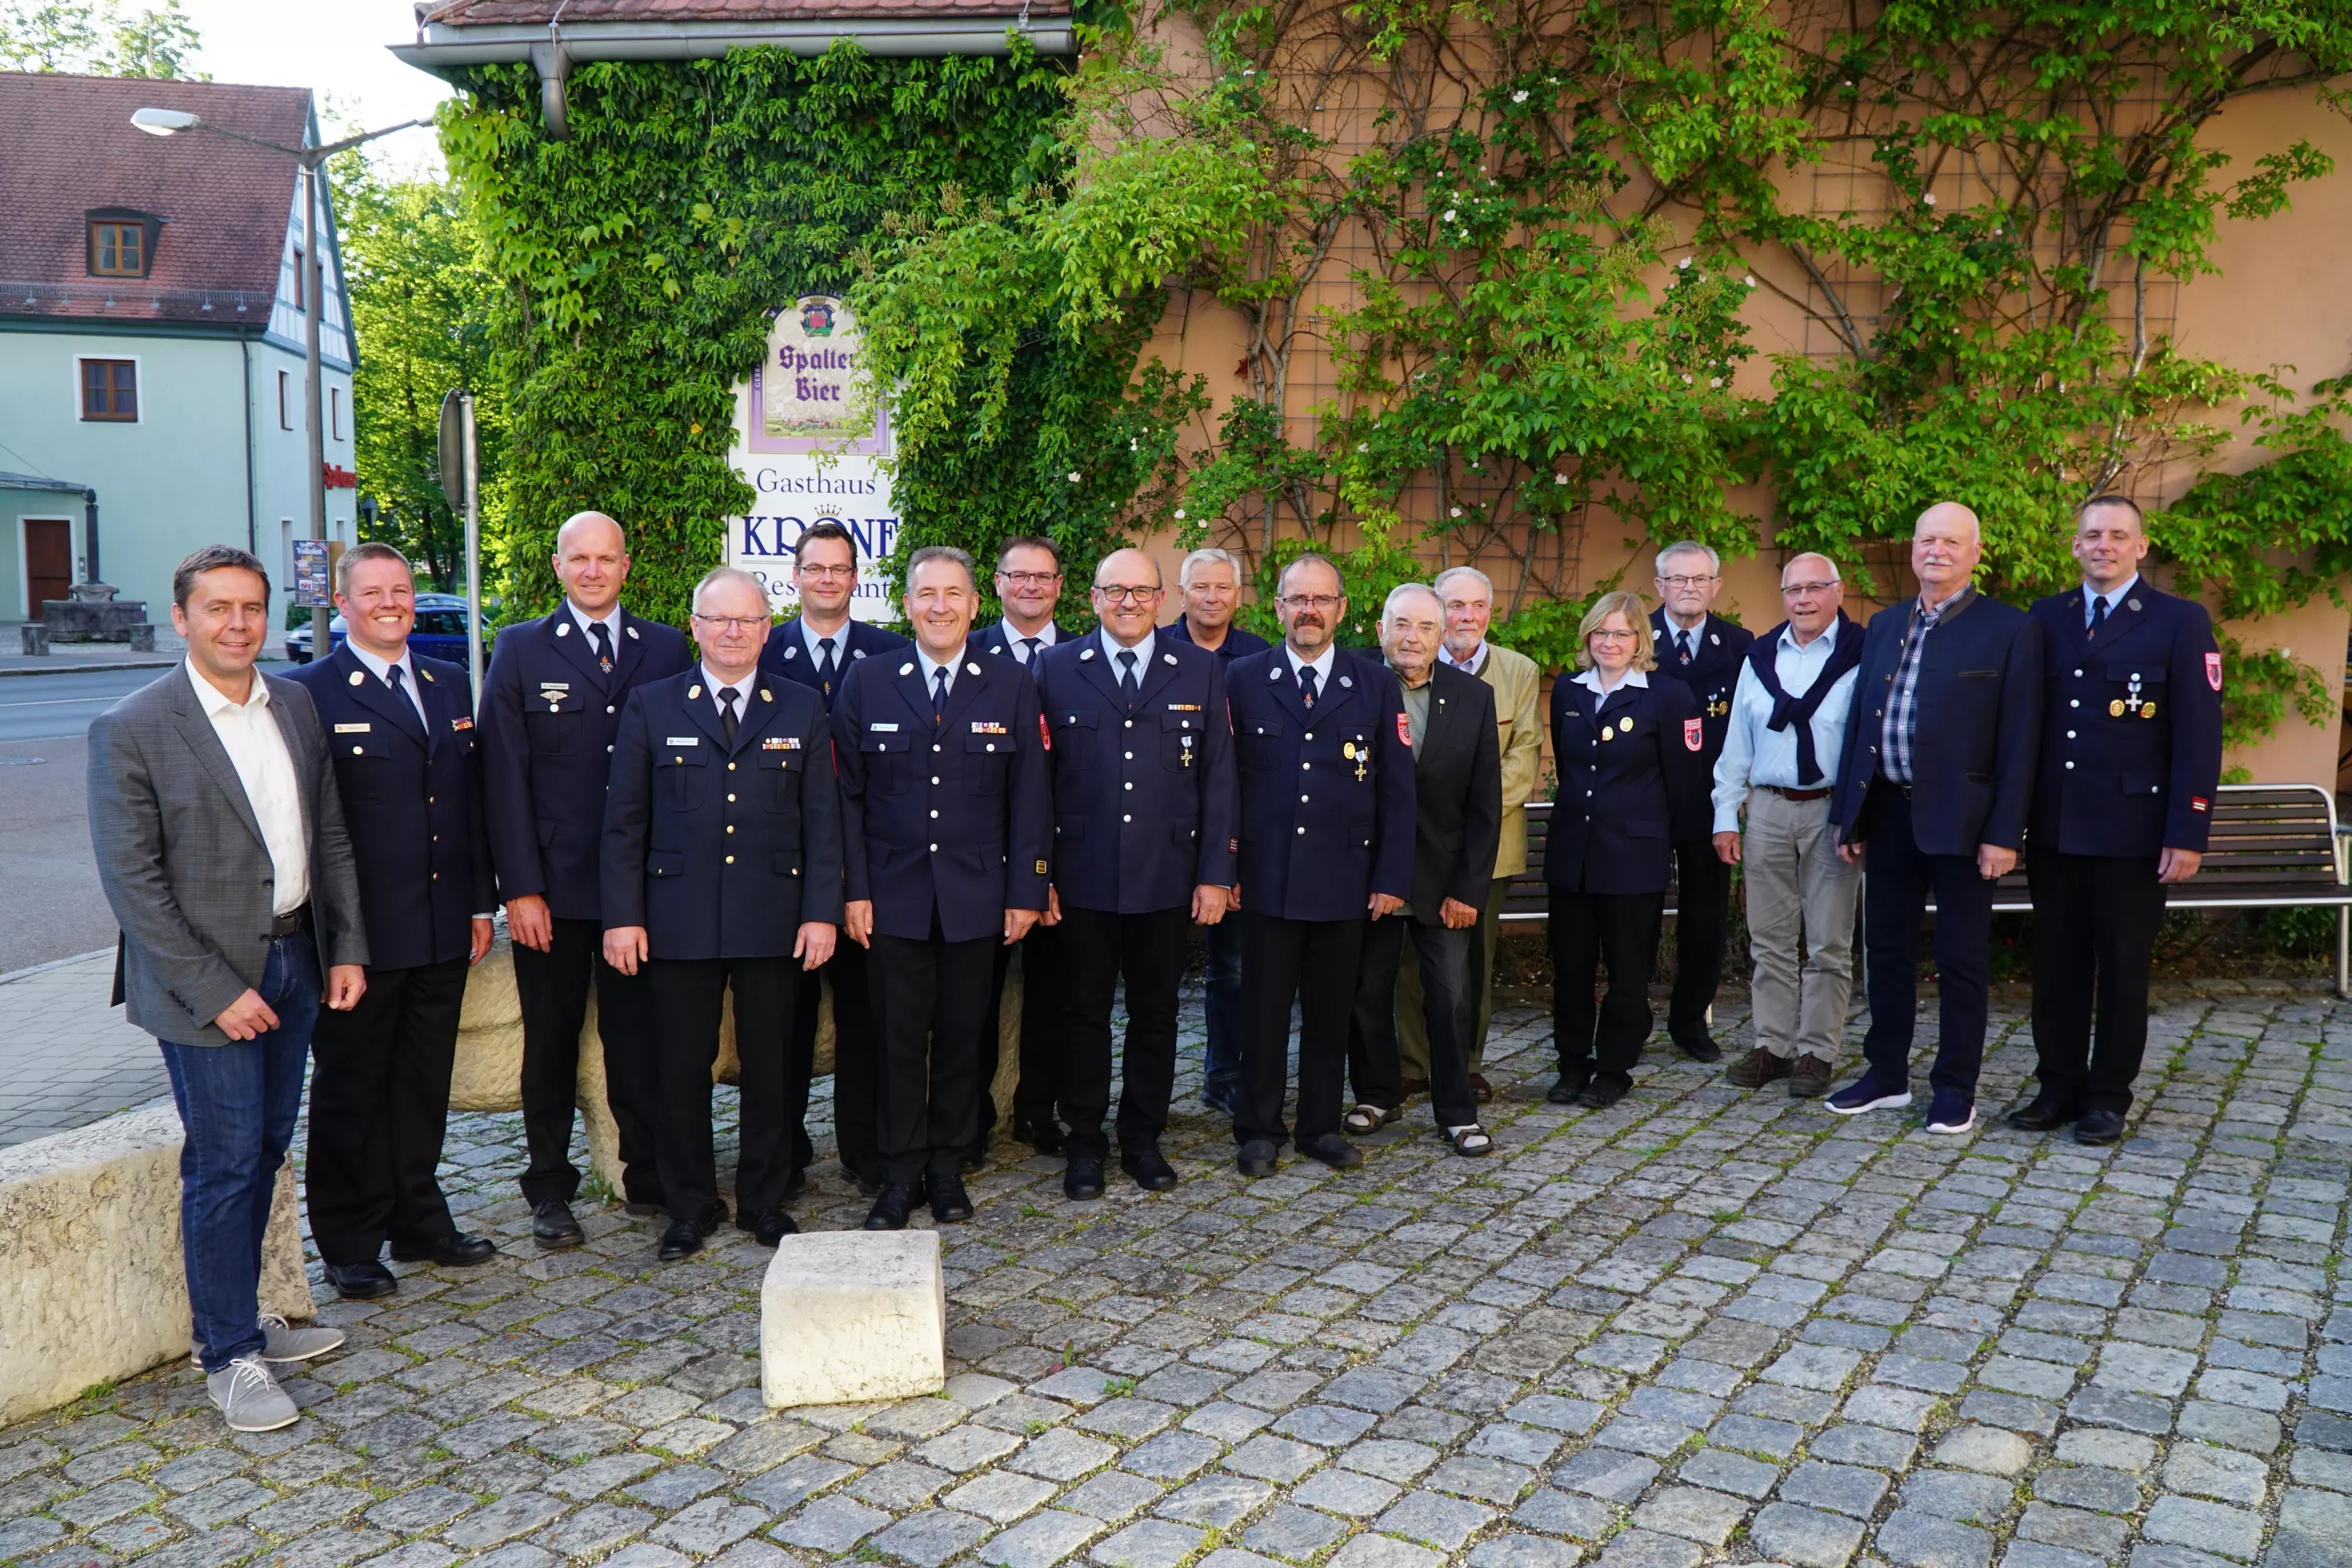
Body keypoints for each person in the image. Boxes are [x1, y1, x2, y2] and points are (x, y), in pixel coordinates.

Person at [89, 545, 364, 1432]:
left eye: (251, 608)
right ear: (182, 618)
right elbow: (136, 888)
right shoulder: (133, 726)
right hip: (205, 985)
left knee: (269, 1146)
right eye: (218, 609)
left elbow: (327, 836)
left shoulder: (296, 702)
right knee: (224, 1161)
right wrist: (217, 990)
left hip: (296, 960)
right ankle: (228, 1355)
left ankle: (245, 1323)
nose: (238, 624)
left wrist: (345, 947)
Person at [603, 567, 843, 1258]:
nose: (733, 631)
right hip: (675, 920)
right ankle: (689, 1204)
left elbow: (823, 820)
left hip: (775, 917)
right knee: (681, 1069)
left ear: (768, 629)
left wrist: (821, 911)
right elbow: (624, 822)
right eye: (719, 619)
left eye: (748, 619)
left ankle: (765, 1200)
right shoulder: (653, 705)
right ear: (696, 627)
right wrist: (624, 916)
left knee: (773, 1067)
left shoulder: (800, 706)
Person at [286, 543, 498, 1301]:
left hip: (443, 924)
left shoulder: (448, 684)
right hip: (360, 935)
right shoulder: (307, 694)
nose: (390, 602)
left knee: (420, 1083)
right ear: (342, 604)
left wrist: (481, 901)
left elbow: (470, 804)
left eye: (401, 589)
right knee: (352, 1087)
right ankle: (348, 1239)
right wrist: (335, 933)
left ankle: (419, 1217)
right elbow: (308, 827)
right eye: (372, 591)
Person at [480, 511, 693, 1247]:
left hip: (644, 891)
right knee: (552, 1041)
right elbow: (502, 779)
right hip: (556, 893)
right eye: (581, 559)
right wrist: (520, 890)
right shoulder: (520, 649)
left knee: (642, 1038)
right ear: (558, 565)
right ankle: (548, 1187)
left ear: (626, 566)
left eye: (606, 559)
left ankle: (649, 1173)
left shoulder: (666, 648)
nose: (594, 571)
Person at [835, 546, 1051, 1229]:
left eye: (953, 594)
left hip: (978, 895)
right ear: (905, 604)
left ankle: (949, 1165)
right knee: (896, 1038)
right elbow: (846, 799)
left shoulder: (1010, 684)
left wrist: (1026, 890)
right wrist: (853, 890)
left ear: (974, 604)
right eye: (926, 594)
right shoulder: (869, 681)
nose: (939, 606)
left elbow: (1030, 797)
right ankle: (898, 1173)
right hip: (892, 896)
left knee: (965, 1034)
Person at [2013, 495, 2222, 1145]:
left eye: (2117, 535)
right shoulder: (2045, 618)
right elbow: (2026, 729)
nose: (2103, 544)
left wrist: (2187, 831)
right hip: (2057, 827)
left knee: (2125, 968)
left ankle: (2107, 1096)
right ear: (2075, 546)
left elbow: (2198, 735)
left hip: (2134, 832)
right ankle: (2058, 1085)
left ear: (2141, 546)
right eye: (2092, 534)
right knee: (2056, 965)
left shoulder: (2179, 622)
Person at [1828, 502, 2042, 1134]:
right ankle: (1886, 1074)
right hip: (1889, 814)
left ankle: (1955, 1087)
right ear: (1913, 549)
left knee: (1960, 959)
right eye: (1927, 540)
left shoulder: (2010, 629)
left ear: (1976, 554)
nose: (1937, 551)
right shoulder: (1887, 624)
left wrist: (2005, 833)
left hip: (1967, 823)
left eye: (1951, 542)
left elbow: (2021, 740)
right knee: (1886, 950)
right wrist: (1851, 817)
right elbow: (1860, 727)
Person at [1036, 549, 1237, 1198]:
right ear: (1092, 599)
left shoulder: (1201, 672)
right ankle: (1085, 1140)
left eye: (1141, 591)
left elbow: (1218, 778)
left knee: (1157, 1014)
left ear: (1161, 600)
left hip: (1167, 876)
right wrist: (1038, 876)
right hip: (1082, 875)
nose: (1128, 602)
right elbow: (1035, 784)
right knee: (1084, 1014)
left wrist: (1214, 874)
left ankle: (1142, 1137)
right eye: (1114, 591)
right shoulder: (1055, 668)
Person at [1225, 554, 1414, 1175]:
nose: (1309, 610)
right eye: (1296, 599)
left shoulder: (1376, 684)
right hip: (1266, 878)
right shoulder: (1243, 679)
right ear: (1277, 607)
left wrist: (1390, 877)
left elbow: (1396, 790)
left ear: (1340, 609)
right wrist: (1224, 870)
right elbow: (1221, 785)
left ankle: (1319, 1128)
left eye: (1321, 600)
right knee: (1263, 1011)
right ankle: (1258, 1128)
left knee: (1334, 1011)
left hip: (1345, 879)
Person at [757, 520, 909, 1194]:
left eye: (839, 569)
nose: (826, 579)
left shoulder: (893, 652)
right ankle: (783, 1152)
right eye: (814, 568)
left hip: (872, 867)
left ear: (856, 577)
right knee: (783, 1021)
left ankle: (866, 1150)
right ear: (795, 576)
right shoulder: (763, 651)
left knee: (867, 1019)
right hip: (784, 869)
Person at [1344, 584, 1501, 1154]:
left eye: (1425, 628)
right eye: (1401, 625)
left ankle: (1457, 1111)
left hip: (1443, 881)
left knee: (1450, 994)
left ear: (1443, 636)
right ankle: (1377, 1094)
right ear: (1380, 626)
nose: (1411, 638)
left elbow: (1485, 806)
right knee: (1366, 990)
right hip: (1367, 876)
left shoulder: (1473, 697)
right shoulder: (1352, 679)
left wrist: (1470, 889)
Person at [1544, 591, 1711, 1109]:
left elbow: (1683, 783)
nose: (1609, 643)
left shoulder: (1668, 695)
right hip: (1574, 851)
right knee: (1571, 967)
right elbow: (1571, 772)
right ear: (1587, 637)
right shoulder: (1569, 691)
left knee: (1627, 970)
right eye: (1600, 632)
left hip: (1633, 855)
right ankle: (1573, 1064)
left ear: (1640, 639)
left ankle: (1614, 1067)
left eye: (1620, 633)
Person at [1710, 554, 1865, 1099]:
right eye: (1792, 589)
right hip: (1769, 808)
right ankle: (1773, 1046)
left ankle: (1817, 1053)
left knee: (1828, 942)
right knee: (1769, 938)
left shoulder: (1861, 655)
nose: (1803, 600)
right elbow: (1736, 746)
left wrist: (1859, 818)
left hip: (1831, 811)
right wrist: (1726, 815)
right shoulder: (1759, 657)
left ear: (1837, 590)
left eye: (1814, 588)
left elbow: (1867, 747)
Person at [1398, 564, 1540, 1104]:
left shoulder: (1518, 671)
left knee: (1472, 963)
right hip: (1412, 848)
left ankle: (1466, 1062)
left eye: (1478, 606)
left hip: (1487, 848)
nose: (1468, 616)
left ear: (1491, 611)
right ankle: (1411, 1062)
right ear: (1436, 612)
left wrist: (1461, 819)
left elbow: (1522, 761)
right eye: (1455, 606)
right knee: (1410, 965)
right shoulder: (1402, 668)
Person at [971, 535, 1080, 1158]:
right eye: (1019, 576)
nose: (1032, 587)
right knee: (977, 995)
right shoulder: (967, 647)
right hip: (983, 855)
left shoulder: (1087, 657)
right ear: (999, 584)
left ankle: (1038, 1110)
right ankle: (975, 1116)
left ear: (1061, 586)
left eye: (1044, 577)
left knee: (1053, 993)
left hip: (1065, 851)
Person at [1163, 546, 1272, 1116]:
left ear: (1238, 595)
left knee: (1232, 969)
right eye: (1200, 587)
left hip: (1232, 840)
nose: (1211, 597)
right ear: (1181, 594)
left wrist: (1232, 859)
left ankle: (1225, 1075)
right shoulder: (1151, 648)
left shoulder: (1260, 659)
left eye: (1222, 588)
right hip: (1159, 841)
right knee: (1151, 977)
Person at [1645, 541, 1754, 1062]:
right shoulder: (1633, 636)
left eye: (1699, 579)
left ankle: (1691, 1022)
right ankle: (1630, 1019)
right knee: (1635, 915)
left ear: (1716, 586)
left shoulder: (1738, 644)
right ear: (1659, 585)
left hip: (1711, 801)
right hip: (1643, 799)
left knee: (1704, 918)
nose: (1689, 588)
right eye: (1678, 579)